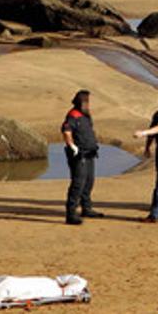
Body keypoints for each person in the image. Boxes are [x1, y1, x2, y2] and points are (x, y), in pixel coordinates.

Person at [62, 89, 103, 225]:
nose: (87, 104)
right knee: (78, 183)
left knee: (89, 181)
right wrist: (72, 146)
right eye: (85, 102)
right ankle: (71, 214)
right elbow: (67, 131)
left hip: (90, 153)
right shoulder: (73, 115)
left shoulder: (85, 115)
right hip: (79, 155)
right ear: (80, 102)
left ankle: (86, 208)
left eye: (88, 102)